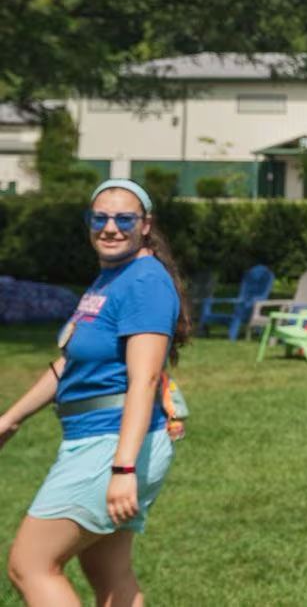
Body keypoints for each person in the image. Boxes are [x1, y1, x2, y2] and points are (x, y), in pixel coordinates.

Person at [2, 179, 189, 606]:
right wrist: (11, 418)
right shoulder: (111, 279)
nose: (110, 227)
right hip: (98, 439)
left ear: (145, 225)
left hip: (111, 444)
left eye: (124, 218)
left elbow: (143, 379)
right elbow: (70, 364)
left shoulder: (143, 281)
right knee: (108, 571)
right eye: (99, 217)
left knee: (30, 565)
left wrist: (123, 470)